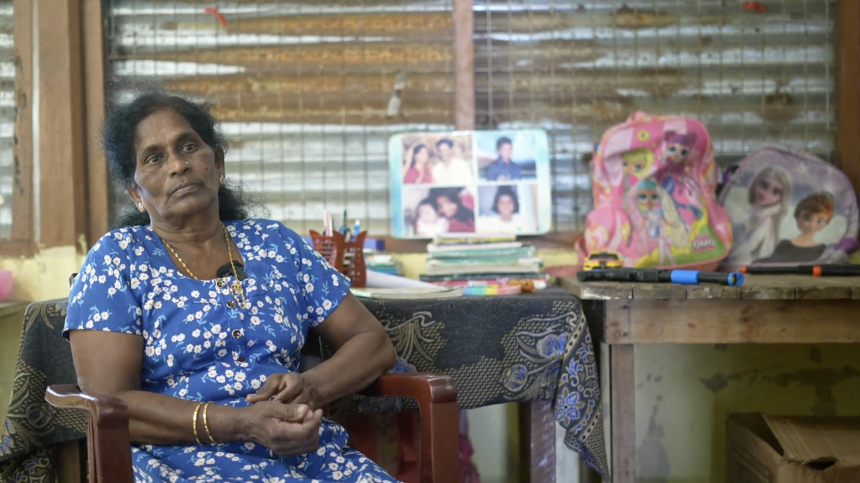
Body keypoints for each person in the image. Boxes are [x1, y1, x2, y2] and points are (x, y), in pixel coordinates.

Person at [64, 92, 399, 483]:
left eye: (188, 146)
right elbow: (111, 402)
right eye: (154, 158)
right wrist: (240, 424)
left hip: (300, 452)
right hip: (176, 460)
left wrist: (310, 388)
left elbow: (373, 342)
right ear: (136, 192)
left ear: (218, 164)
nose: (178, 165)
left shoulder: (275, 243)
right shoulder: (118, 258)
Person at [725, 166, 792, 267]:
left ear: (781, 198)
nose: (766, 194)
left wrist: (728, 252)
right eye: (764, 186)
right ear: (755, 182)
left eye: (775, 192)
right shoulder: (749, 210)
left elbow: (748, 247)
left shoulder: (765, 219)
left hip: (742, 264)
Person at [755, 192, 834, 264]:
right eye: (806, 218)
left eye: (819, 221)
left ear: (826, 223)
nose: (812, 225)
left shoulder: (822, 250)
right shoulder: (783, 245)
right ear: (797, 217)